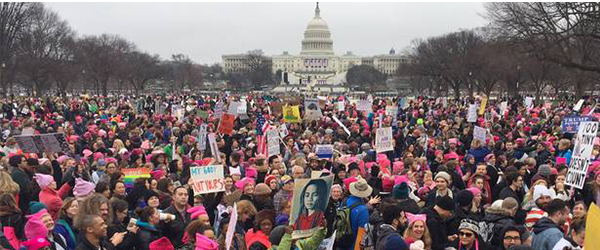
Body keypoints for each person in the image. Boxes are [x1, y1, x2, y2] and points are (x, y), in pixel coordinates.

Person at [347, 177, 372, 250]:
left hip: (341, 242)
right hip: (353, 245)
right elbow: (361, 233)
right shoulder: (363, 209)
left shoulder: (345, 201)